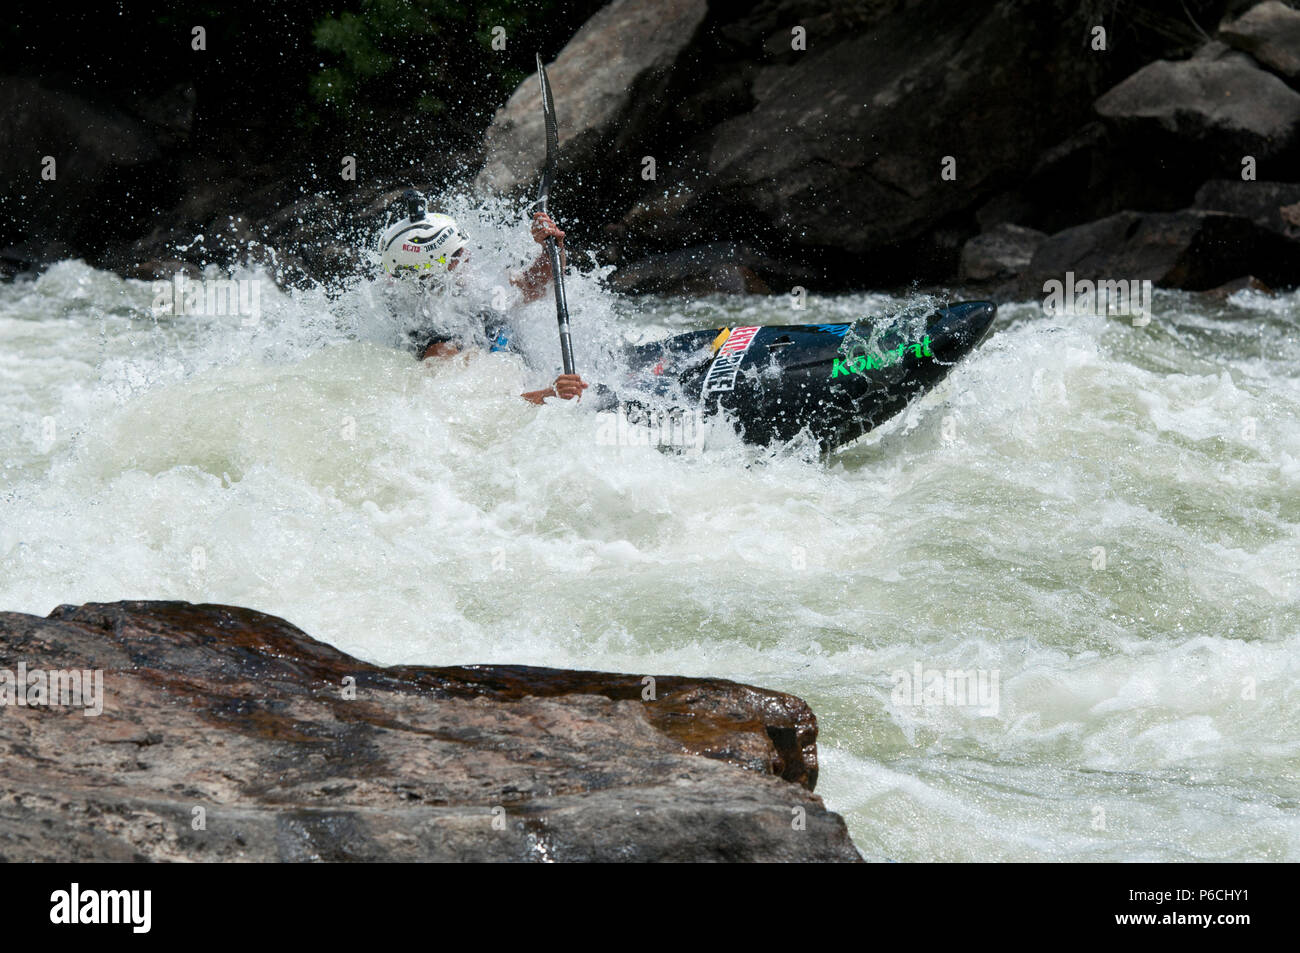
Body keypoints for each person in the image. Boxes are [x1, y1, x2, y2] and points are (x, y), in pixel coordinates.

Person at [378, 190, 589, 404]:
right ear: (437, 271)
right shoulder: (439, 348)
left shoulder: (472, 289)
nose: (468, 256)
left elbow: (535, 287)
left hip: (543, 384)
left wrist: (549, 247)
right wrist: (549, 395)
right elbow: (480, 409)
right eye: (459, 254)